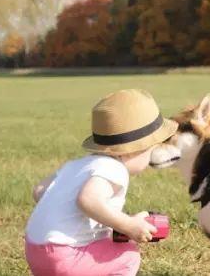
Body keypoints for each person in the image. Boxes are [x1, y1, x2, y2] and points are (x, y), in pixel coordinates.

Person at [24, 89, 178, 276]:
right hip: (64, 257)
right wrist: (129, 226)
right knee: (128, 256)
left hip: (35, 252)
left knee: (105, 245)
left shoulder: (76, 165)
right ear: (131, 151)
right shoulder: (115, 168)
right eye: (150, 150)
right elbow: (88, 201)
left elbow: (39, 190)